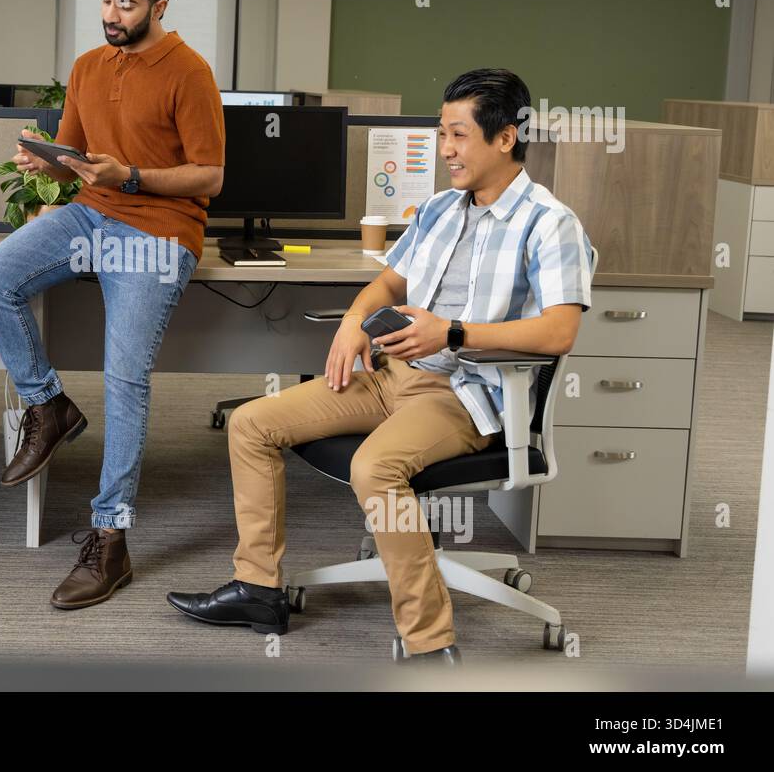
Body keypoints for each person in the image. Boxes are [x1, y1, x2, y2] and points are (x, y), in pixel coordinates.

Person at [166, 68, 595, 662]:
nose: (445, 149)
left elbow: (560, 329)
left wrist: (453, 332)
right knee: (251, 424)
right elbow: (389, 282)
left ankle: (429, 645)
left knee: (374, 468)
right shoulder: (443, 210)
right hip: (390, 377)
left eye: (459, 135)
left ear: (504, 138)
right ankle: (258, 589)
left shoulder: (550, 224)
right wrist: (352, 322)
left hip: (463, 393)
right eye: (442, 133)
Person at [0, 0, 225, 609]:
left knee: (124, 375)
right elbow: (81, 162)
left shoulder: (190, 72)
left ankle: (110, 539)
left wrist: (132, 175)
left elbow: (210, 175)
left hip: (159, 231)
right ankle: (48, 404)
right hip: (91, 214)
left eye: (127, 4)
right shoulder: (87, 66)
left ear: (159, 6)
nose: (112, 14)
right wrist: (48, 165)